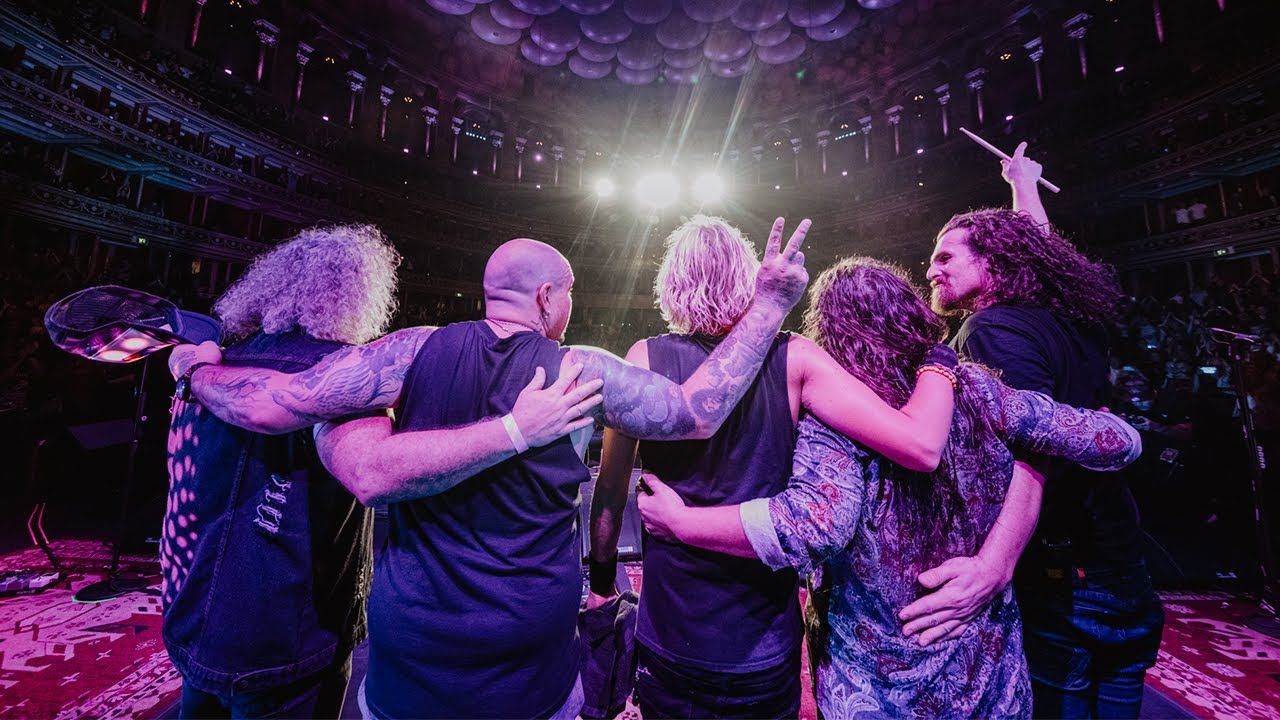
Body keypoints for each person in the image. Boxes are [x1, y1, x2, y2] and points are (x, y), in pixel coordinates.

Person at [168, 219, 816, 719]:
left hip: (409, 660)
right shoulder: (578, 369)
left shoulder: (407, 352)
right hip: (527, 665)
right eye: (568, 294)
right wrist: (768, 305)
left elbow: (277, 402)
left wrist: (197, 369)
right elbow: (694, 411)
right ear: (545, 296)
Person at [635, 257, 1142, 719]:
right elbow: (1119, 443)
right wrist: (1075, 427)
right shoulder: (979, 389)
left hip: (875, 682)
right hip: (984, 668)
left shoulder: (834, 419)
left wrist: (683, 523)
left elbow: (811, 526)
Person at [588, 216, 959, 719]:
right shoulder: (797, 358)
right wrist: (939, 357)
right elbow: (919, 445)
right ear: (749, 278)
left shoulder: (644, 357)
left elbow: (608, 495)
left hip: (672, 626)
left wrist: (604, 585)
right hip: (762, 633)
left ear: (671, 285)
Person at [924, 143, 1164, 718]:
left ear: (995, 267)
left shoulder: (991, 329)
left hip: (1062, 570)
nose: (931, 269)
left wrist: (996, 563)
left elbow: (1032, 450)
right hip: (1117, 555)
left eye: (945, 257)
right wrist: (1022, 183)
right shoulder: (1070, 320)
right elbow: (1037, 255)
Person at [163, 224, 402, 719]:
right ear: (359, 294)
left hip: (198, 619)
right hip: (288, 637)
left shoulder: (209, 369)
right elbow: (374, 478)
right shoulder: (346, 378)